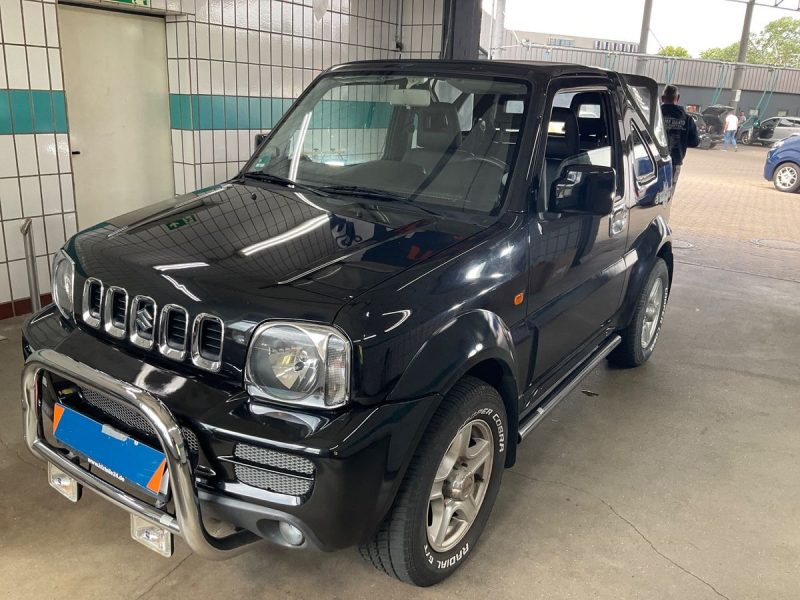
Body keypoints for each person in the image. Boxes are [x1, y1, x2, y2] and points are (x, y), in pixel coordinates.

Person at [660, 85, 699, 187]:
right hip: (675, 159)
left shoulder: (653, 116)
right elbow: (694, 142)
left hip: (652, 160)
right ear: (677, 98)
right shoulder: (687, 119)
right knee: (668, 190)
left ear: (662, 98)